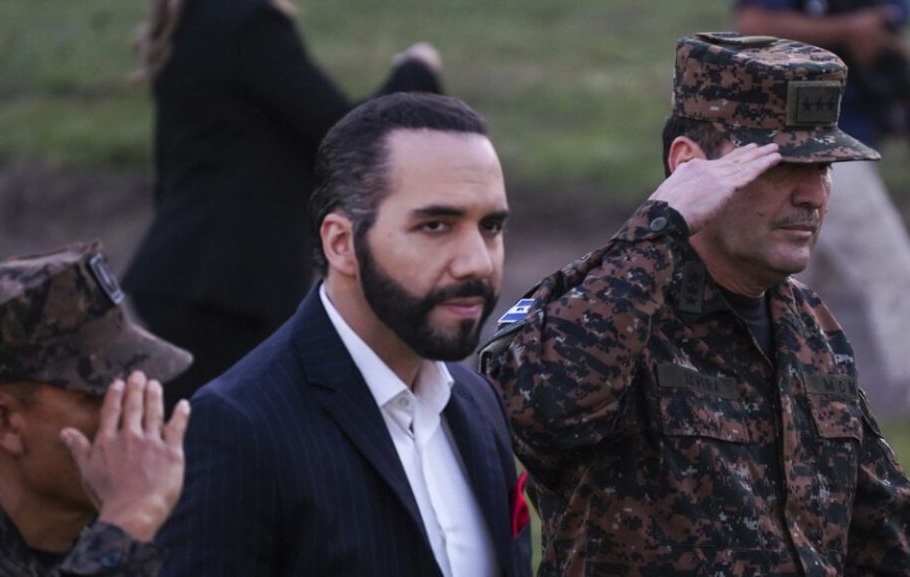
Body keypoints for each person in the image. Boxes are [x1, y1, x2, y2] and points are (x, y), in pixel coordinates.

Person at [483, 33, 910, 576]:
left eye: (824, 168)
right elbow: (539, 416)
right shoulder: (600, 307)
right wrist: (661, 225)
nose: (813, 195)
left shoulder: (810, 327)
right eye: (780, 166)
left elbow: (884, 533)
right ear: (688, 166)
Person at [157, 93, 532, 577]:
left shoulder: (479, 402)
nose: (476, 262)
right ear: (341, 243)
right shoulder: (240, 427)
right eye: (436, 225)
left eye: (491, 226)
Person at [124, 0, 445, 412]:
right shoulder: (249, 23)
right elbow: (346, 138)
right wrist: (416, 70)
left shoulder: (196, 19)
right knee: (228, 439)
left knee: (196, 436)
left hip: (189, 278)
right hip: (229, 289)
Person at [0, 242, 193, 576]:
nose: (132, 419)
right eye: (97, 396)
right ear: (5, 424)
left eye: (135, 385)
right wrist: (127, 525)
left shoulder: (106, 536)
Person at [736, 0, 910, 408]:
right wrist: (851, 28)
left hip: (843, 140)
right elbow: (753, 24)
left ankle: (762, 395)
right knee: (892, 273)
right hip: (798, 144)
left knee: (788, 286)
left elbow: (884, 36)